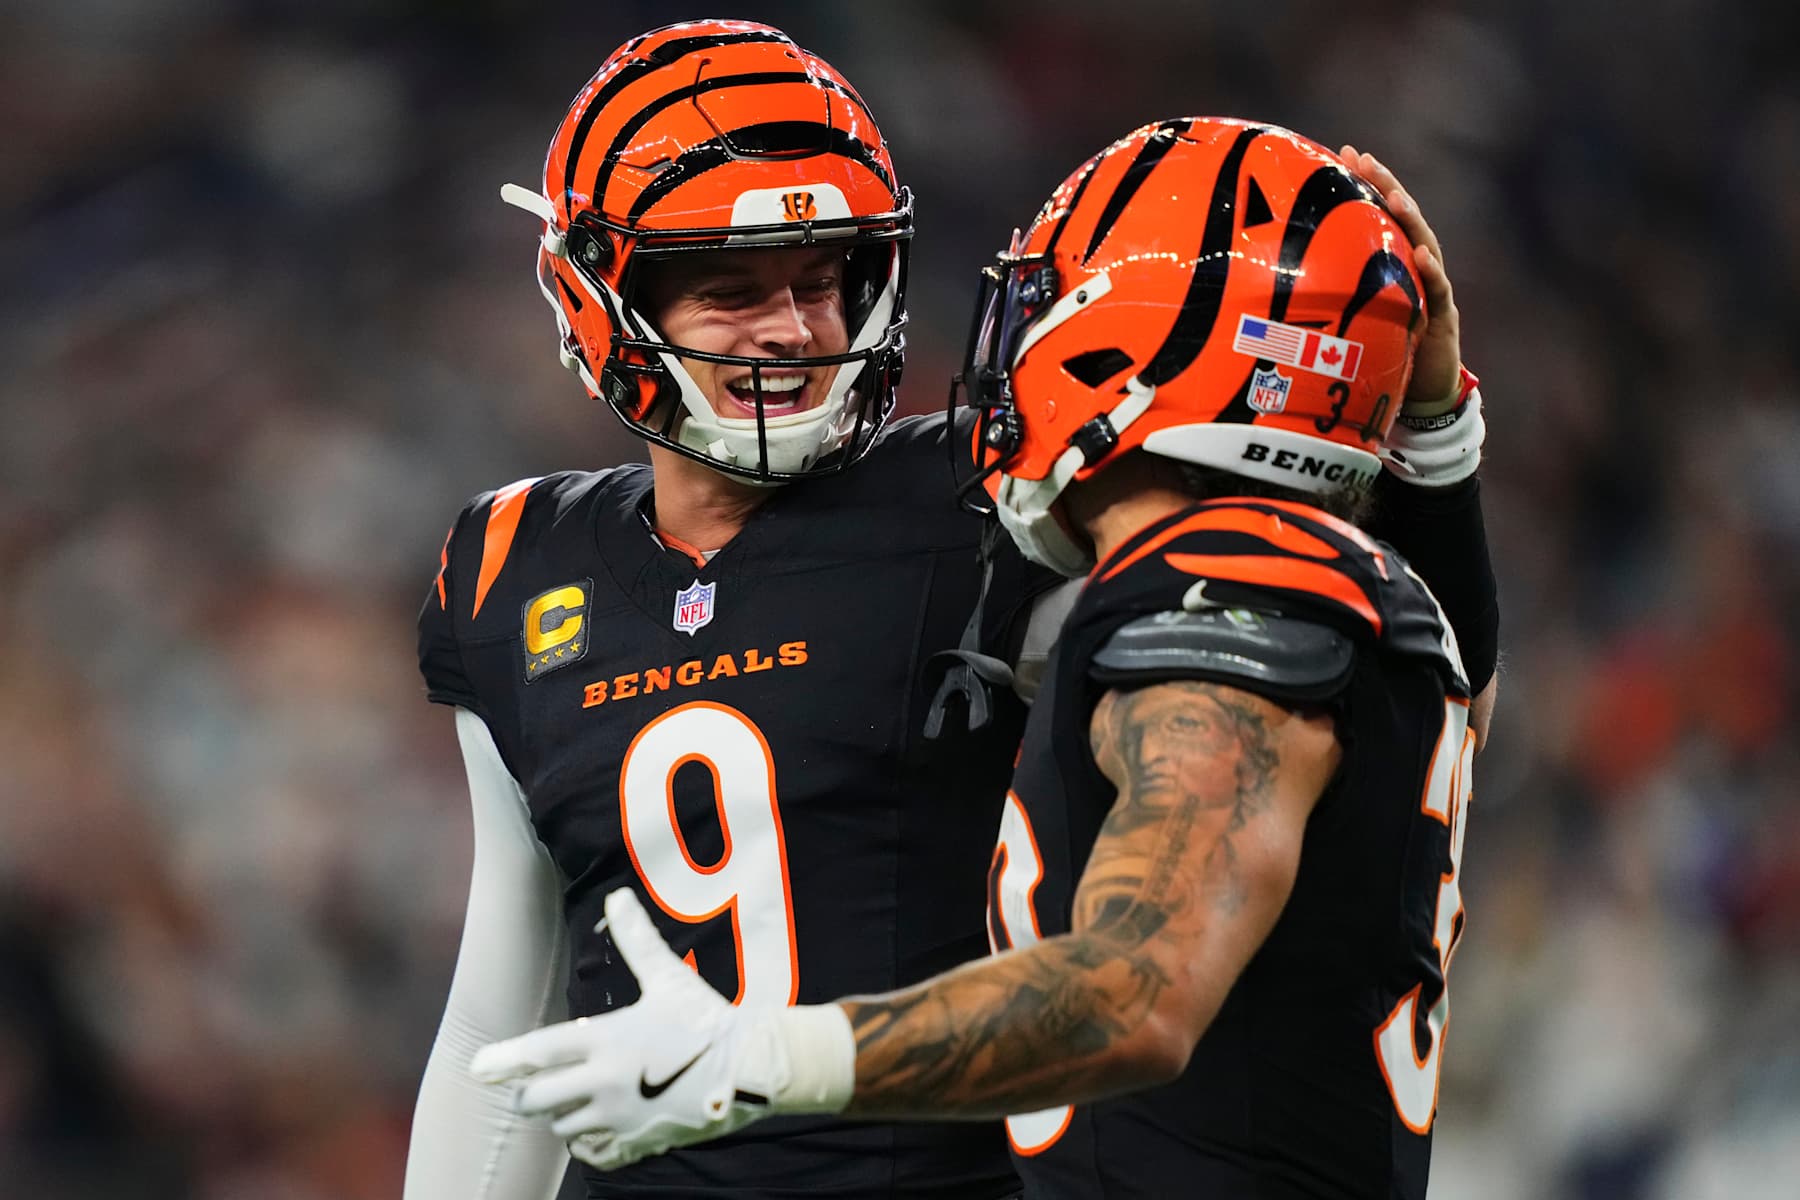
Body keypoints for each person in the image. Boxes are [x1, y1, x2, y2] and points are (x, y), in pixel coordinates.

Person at [468, 117, 1500, 1200]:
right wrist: (1430, 440)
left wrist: (765, 1057)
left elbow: (1133, 992)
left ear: (1125, 346)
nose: (1011, 348)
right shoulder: (1303, 586)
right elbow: (1452, 689)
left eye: (1047, 304)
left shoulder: (1230, 577)